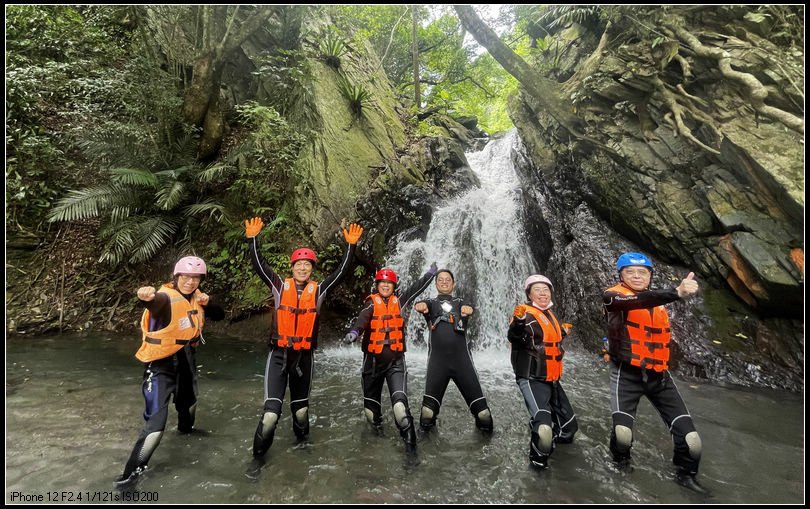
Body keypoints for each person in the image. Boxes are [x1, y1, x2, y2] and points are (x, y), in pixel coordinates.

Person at [245, 216, 363, 458]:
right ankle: (257, 462)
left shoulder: (318, 290)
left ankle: (302, 450)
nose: (303, 268)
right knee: (270, 415)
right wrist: (253, 239)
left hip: (304, 359)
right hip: (279, 355)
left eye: (307, 265)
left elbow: (340, 272)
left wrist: (351, 247)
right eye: (299, 264)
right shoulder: (279, 286)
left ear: (312, 269)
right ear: (292, 267)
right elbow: (260, 265)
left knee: (300, 411)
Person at [114, 256, 225, 488]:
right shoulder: (164, 298)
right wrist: (148, 298)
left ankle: (186, 431)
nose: (190, 281)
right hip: (160, 366)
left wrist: (208, 302)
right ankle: (128, 478)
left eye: (196, 278)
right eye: (186, 276)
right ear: (176, 276)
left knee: (189, 403)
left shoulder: (197, 297)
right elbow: (156, 304)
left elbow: (220, 314)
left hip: (186, 360)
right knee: (156, 426)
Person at [603, 252, 706, 493]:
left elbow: (649, 301)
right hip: (626, 374)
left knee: (692, 442)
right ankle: (619, 470)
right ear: (621, 275)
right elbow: (634, 302)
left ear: (650, 276)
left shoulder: (656, 300)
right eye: (630, 272)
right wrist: (676, 293)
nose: (637, 276)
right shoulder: (612, 297)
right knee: (622, 435)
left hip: (659, 376)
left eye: (643, 272)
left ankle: (686, 476)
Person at [342, 263, 438, 456]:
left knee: (400, 407)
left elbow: (416, 287)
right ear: (377, 285)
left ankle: (411, 450)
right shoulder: (370, 304)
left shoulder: (400, 301)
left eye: (389, 283)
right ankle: (376, 446)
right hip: (372, 365)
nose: (386, 286)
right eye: (382, 283)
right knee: (371, 413)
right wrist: (354, 332)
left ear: (394, 286)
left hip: (396, 362)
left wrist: (430, 273)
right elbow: (361, 320)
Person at [507, 274, 578, 469]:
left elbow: (543, 340)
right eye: (537, 290)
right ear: (529, 294)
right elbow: (515, 336)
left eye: (546, 289)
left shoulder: (548, 314)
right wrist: (519, 322)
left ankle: (558, 458)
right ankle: (537, 465)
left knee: (569, 427)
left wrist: (561, 332)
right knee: (545, 429)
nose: (543, 293)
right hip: (532, 378)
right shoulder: (524, 315)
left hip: (552, 379)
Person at [414, 269, 493, 433]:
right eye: (440, 280)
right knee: (427, 414)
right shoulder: (430, 303)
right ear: (435, 284)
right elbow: (421, 305)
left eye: (447, 279)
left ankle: (484, 453)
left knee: (483, 414)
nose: (444, 282)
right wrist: (420, 306)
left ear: (453, 283)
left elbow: (469, 306)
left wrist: (467, 310)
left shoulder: (461, 302)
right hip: (438, 363)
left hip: (462, 362)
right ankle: (423, 454)